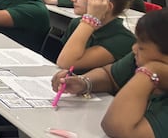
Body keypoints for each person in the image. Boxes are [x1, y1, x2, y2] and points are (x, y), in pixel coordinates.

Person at [51, 9, 168, 138]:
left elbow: (117, 128)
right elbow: (110, 76)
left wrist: (150, 71)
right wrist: (84, 82)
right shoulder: (140, 59)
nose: (134, 49)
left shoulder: (149, 66)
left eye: (141, 47)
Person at [55, 0, 145, 72]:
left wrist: (90, 20)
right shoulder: (77, 23)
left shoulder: (123, 40)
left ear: (106, 5)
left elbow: (65, 63)